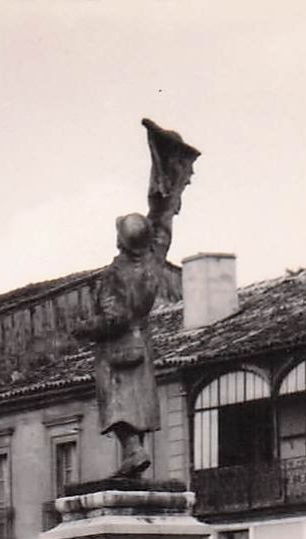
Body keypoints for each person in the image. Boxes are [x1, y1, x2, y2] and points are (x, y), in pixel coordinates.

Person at [73, 119, 200, 479]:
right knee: (137, 405)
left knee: (117, 409)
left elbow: (114, 317)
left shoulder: (115, 275)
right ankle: (135, 454)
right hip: (142, 345)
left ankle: (133, 451)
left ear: (120, 241)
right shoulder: (155, 259)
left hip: (117, 352)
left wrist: (84, 329)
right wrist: (167, 176)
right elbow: (162, 218)